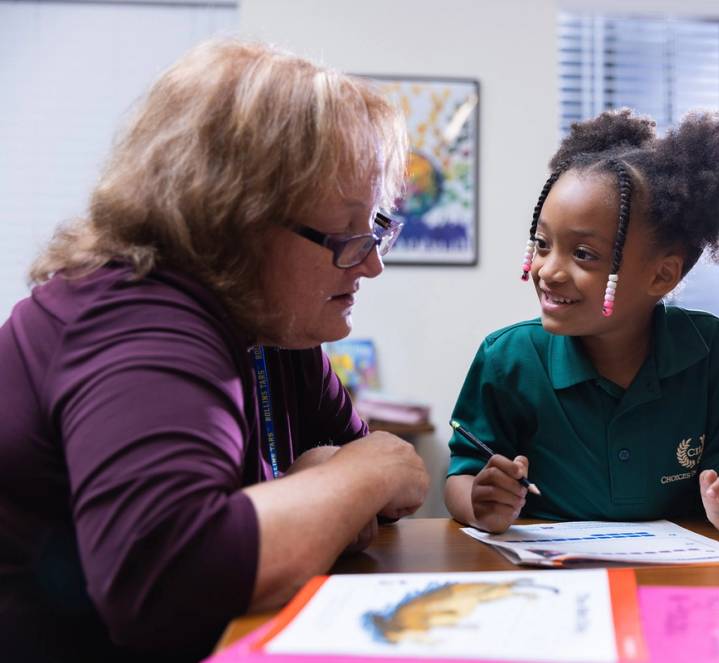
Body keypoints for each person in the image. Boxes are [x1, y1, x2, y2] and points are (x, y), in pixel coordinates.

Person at [0, 39, 429, 661]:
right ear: (237, 220)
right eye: (345, 233)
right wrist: (358, 476)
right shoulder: (136, 321)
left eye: (376, 229)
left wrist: (328, 488)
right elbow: (170, 581)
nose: (371, 264)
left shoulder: (273, 322)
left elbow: (386, 502)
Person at [445, 108, 719, 539]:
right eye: (542, 244)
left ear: (661, 275)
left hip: (680, 578)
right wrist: (479, 502)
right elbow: (460, 477)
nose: (549, 271)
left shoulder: (713, 351)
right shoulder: (507, 357)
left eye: (583, 254)